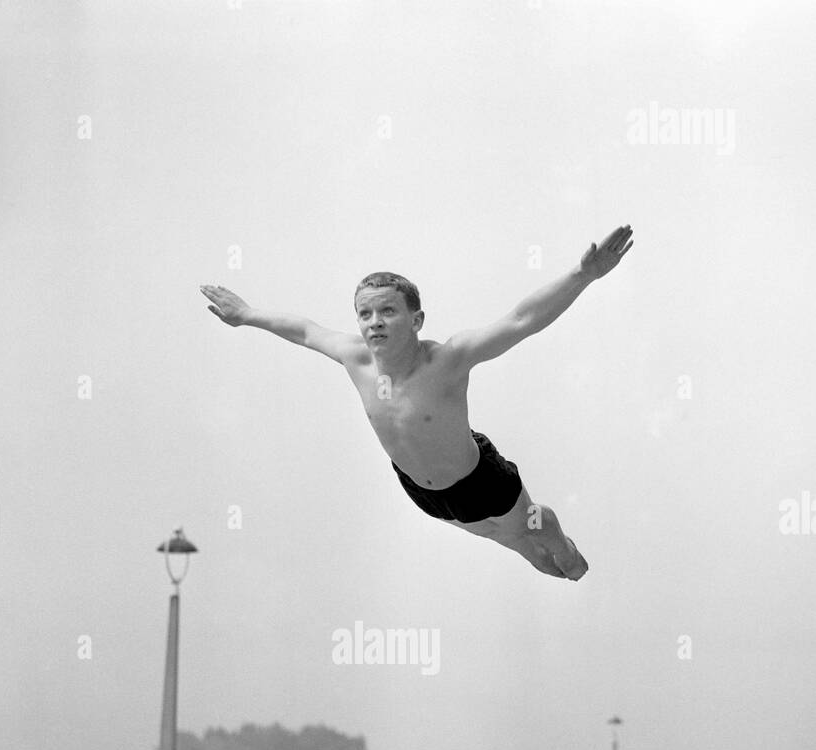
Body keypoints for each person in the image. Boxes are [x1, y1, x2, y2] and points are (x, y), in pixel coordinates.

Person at [200, 225, 634, 580]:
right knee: (530, 554)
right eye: (365, 314)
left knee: (537, 534)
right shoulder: (355, 358)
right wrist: (247, 315)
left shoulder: (448, 359)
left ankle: (557, 535)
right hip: (423, 494)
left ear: (416, 320)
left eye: (387, 311)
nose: (374, 323)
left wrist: (584, 274)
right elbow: (303, 330)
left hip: (480, 479)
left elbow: (521, 320)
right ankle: (547, 549)